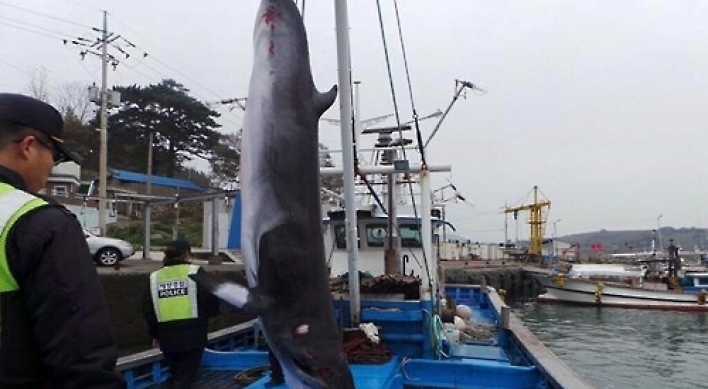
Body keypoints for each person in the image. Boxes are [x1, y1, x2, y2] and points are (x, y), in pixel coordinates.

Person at [0, 93, 124, 387]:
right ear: (28, 147)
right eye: (54, 157)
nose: (50, 169)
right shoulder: (37, 221)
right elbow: (80, 357)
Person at [143, 240, 220, 388]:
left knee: (176, 373)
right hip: (193, 334)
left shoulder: (154, 277)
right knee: (186, 377)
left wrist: (154, 335)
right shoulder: (195, 272)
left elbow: (148, 309)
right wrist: (212, 314)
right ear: (187, 254)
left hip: (166, 336)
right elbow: (210, 298)